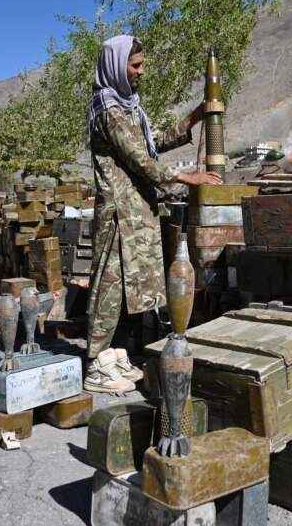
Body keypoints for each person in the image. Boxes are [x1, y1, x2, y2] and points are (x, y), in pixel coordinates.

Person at [84, 34, 221, 393]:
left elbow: (151, 142)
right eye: (136, 65)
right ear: (116, 65)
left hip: (137, 213)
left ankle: (114, 356)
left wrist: (192, 118)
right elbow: (139, 158)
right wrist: (184, 176)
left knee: (134, 289)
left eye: (142, 64)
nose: (141, 72)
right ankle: (96, 364)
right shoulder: (108, 110)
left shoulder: (129, 108)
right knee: (109, 287)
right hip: (118, 215)